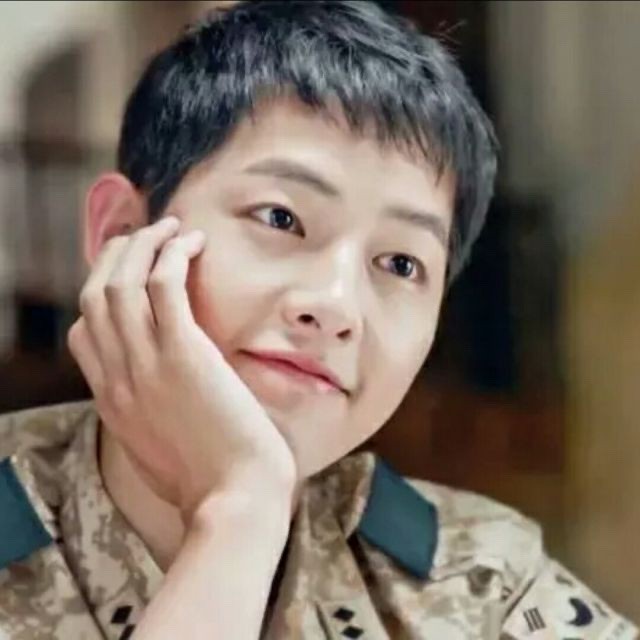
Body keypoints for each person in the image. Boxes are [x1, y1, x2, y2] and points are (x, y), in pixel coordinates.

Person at [0, 1, 636, 638]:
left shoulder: (482, 580)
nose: (335, 305)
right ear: (122, 232)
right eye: (280, 218)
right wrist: (239, 510)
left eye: (401, 263)